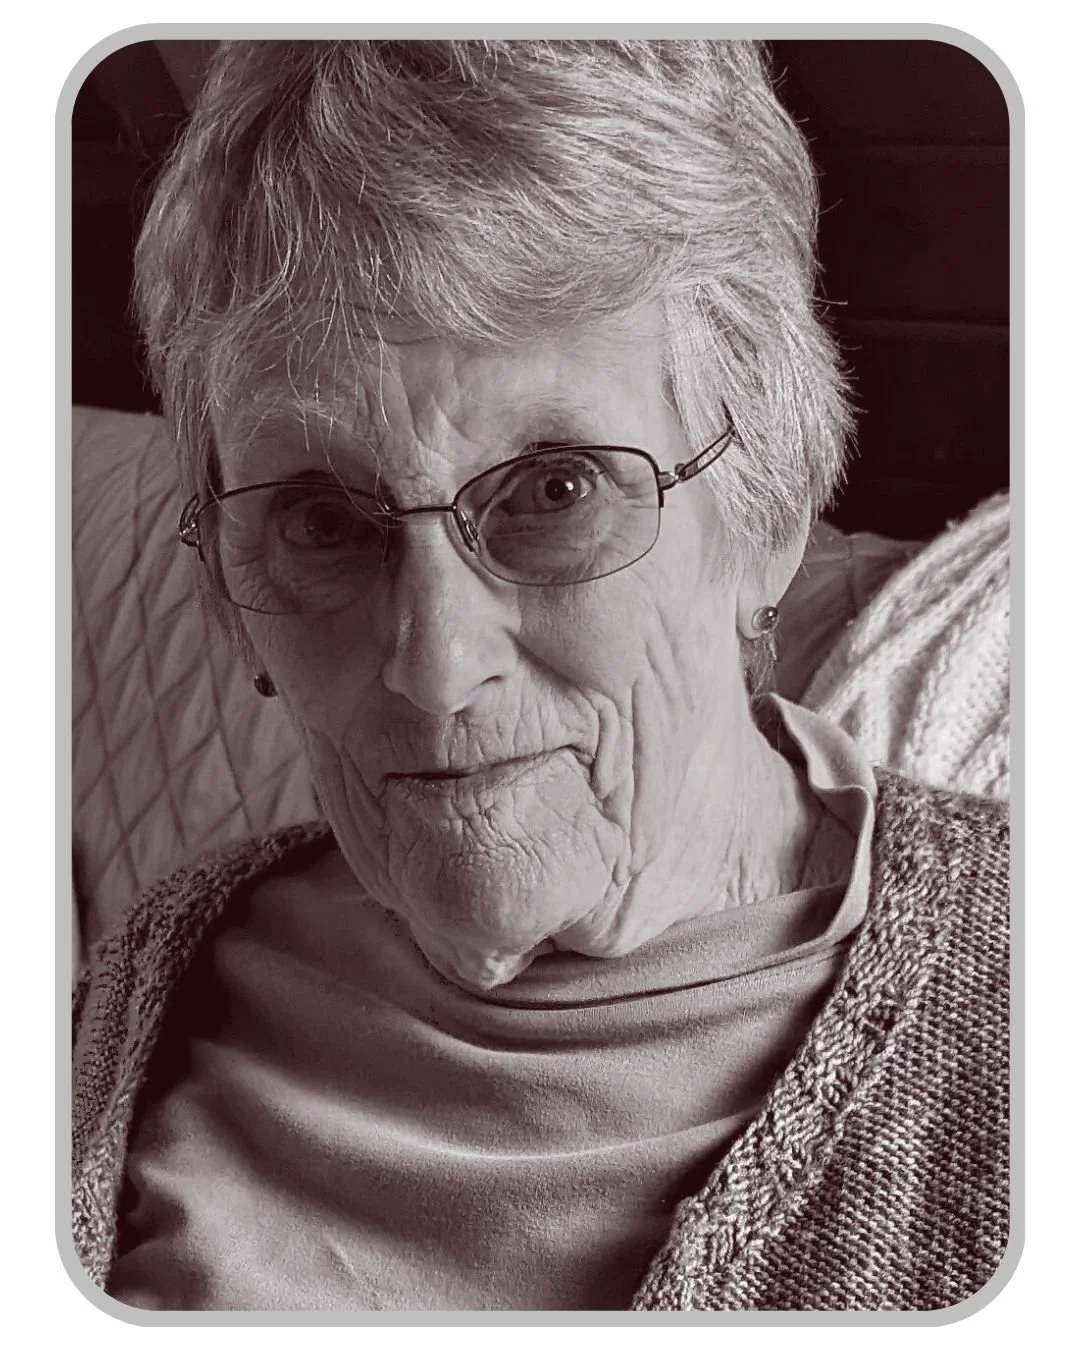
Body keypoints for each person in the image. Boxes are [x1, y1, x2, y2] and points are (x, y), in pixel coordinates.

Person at [71, 39, 1009, 1313]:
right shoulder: (153, 978)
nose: (435, 666)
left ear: (767, 513)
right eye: (323, 521)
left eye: (556, 492)